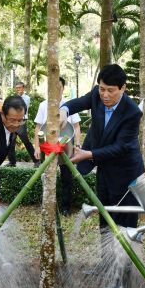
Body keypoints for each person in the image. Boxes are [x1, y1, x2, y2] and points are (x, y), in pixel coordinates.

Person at [61, 64, 143, 229]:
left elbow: (120, 147)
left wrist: (88, 154)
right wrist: (64, 110)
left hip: (125, 173)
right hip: (104, 169)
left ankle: (125, 254)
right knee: (105, 217)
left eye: (110, 90)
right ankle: (106, 255)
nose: (105, 95)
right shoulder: (96, 95)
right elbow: (79, 102)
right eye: (102, 89)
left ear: (123, 88)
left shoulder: (132, 112)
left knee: (124, 222)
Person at [33, 77, 82, 215]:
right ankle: (48, 206)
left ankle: (66, 207)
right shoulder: (43, 105)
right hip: (47, 147)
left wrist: (77, 144)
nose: (55, 91)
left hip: (66, 146)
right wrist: (37, 147)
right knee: (48, 177)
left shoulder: (69, 105)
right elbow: (38, 128)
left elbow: (77, 126)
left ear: (63, 88)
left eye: (58, 88)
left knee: (67, 177)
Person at [7, 81, 39, 167]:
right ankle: (12, 162)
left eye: (20, 88)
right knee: (11, 141)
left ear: (23, 88)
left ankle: (36, 161)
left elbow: (22, 109)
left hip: (21, 121)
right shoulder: (13, 98)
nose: (18, 89)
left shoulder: (26, 98)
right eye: (17, 88)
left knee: (26, 141)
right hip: (13, 122)